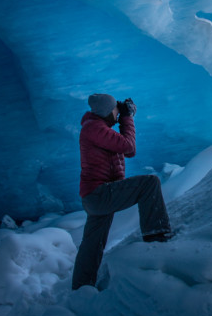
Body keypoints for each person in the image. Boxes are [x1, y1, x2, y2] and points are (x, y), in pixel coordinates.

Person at [72, 93, 172, 290]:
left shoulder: (96, 128)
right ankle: (157, 236)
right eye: (115, 110)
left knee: (92, 244)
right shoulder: (94, 128)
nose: (117, 114)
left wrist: (122, 115)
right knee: (149, 183)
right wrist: (127, 118)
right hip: (100, 194)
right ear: (106, 111)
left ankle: (81, 287)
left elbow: (125, 148)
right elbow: (129, 147)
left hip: (95, 196)